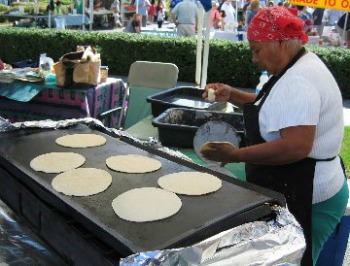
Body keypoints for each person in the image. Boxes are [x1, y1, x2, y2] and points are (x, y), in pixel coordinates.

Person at [202, 7, 348, 266]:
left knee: (295, 260)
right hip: (310, 184)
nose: (254, 59)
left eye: (257, 50)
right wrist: (233, 94)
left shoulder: (299, 80)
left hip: (309, 194)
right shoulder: (298, 65)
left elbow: (295, 146)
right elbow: (274, 105)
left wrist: (234, 155)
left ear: (280, 42)